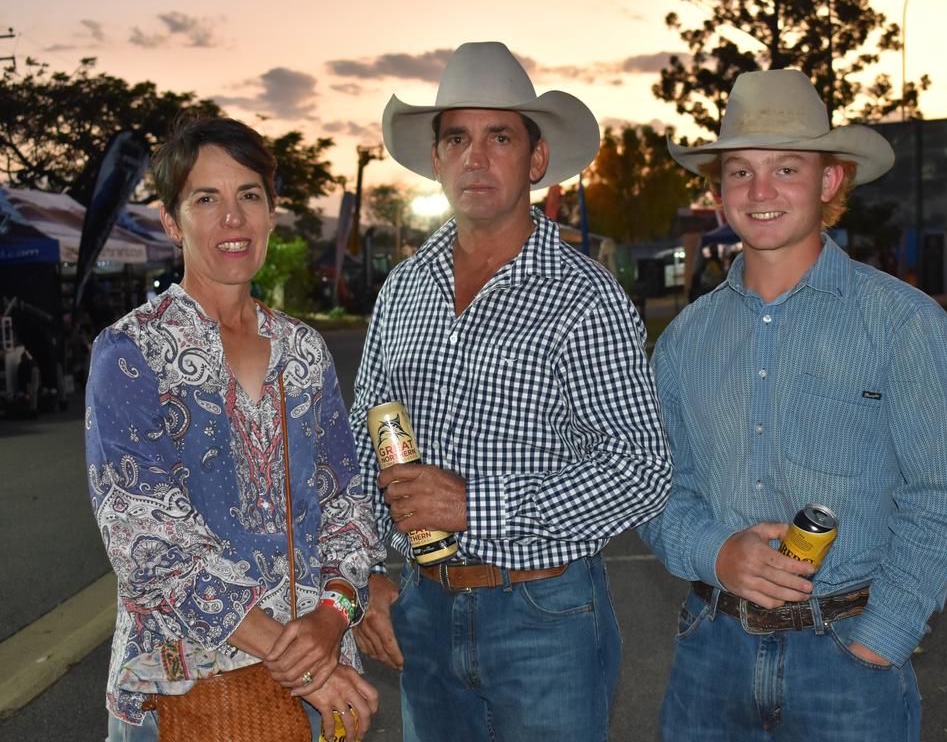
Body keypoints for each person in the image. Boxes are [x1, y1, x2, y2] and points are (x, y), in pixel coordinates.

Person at [638, 69, 947, 740]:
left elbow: (941, 496)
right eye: (740, 172)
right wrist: (716, 553)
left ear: (828, 183)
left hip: (849, 657)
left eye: (787, 168)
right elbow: (658, 490)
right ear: (719, 193)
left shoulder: (903, 324)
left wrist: (885, 635)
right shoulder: (683, 341)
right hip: (711, 654)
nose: (761, 191)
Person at [348, 42, 672, 741]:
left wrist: (473, 504)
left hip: (544, 616)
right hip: (422, 611)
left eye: (500, 137)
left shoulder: (584, 298)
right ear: (435, 159)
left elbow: (641, 469)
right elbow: (360, 441)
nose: (476, 157)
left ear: (535, 159)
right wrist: (366, 575)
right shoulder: (404, 290)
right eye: (457, 137)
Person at [85, 117, 385, 742]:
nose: (233, 218)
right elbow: (149, 551)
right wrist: (299, 661)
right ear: (171, 221)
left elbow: (350, 513)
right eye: (206, 199)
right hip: (187, 693)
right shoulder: (133, 353)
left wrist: (331, 623)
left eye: (249, 195)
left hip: (320, 679)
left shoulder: (302, 350)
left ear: (272, 213)